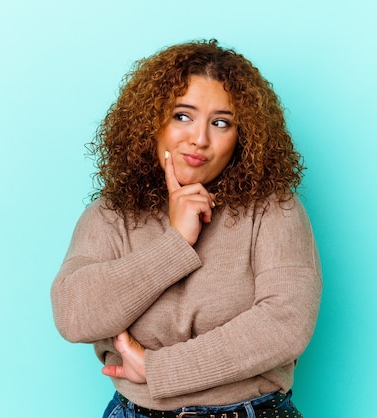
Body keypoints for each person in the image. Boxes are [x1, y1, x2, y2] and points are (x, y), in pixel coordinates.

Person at [51, 39, 322, 418]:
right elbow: (74, 315)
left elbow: (286, 324)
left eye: (221, 122)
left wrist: (158, 369)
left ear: (241, 138)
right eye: (182, 116)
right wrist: (175, 242)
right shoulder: (109, 216)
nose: (200, 138)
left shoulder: (274, 211)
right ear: (151, 122)